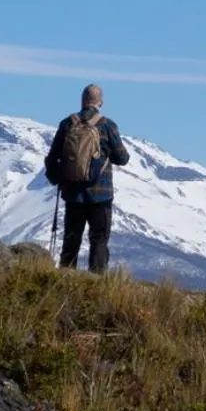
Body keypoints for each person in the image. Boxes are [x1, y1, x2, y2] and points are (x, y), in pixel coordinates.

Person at [46, 84, 131, 273]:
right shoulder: (108, 126)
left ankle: (63, 282)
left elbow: (52, 158)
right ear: (100, 102)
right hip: (100, 195)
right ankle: (96, 284)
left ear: (82, 101)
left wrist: (60, 180)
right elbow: (123, 158)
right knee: (99, 240)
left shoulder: (68, 124)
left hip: (73, 193)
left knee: (71, 240)